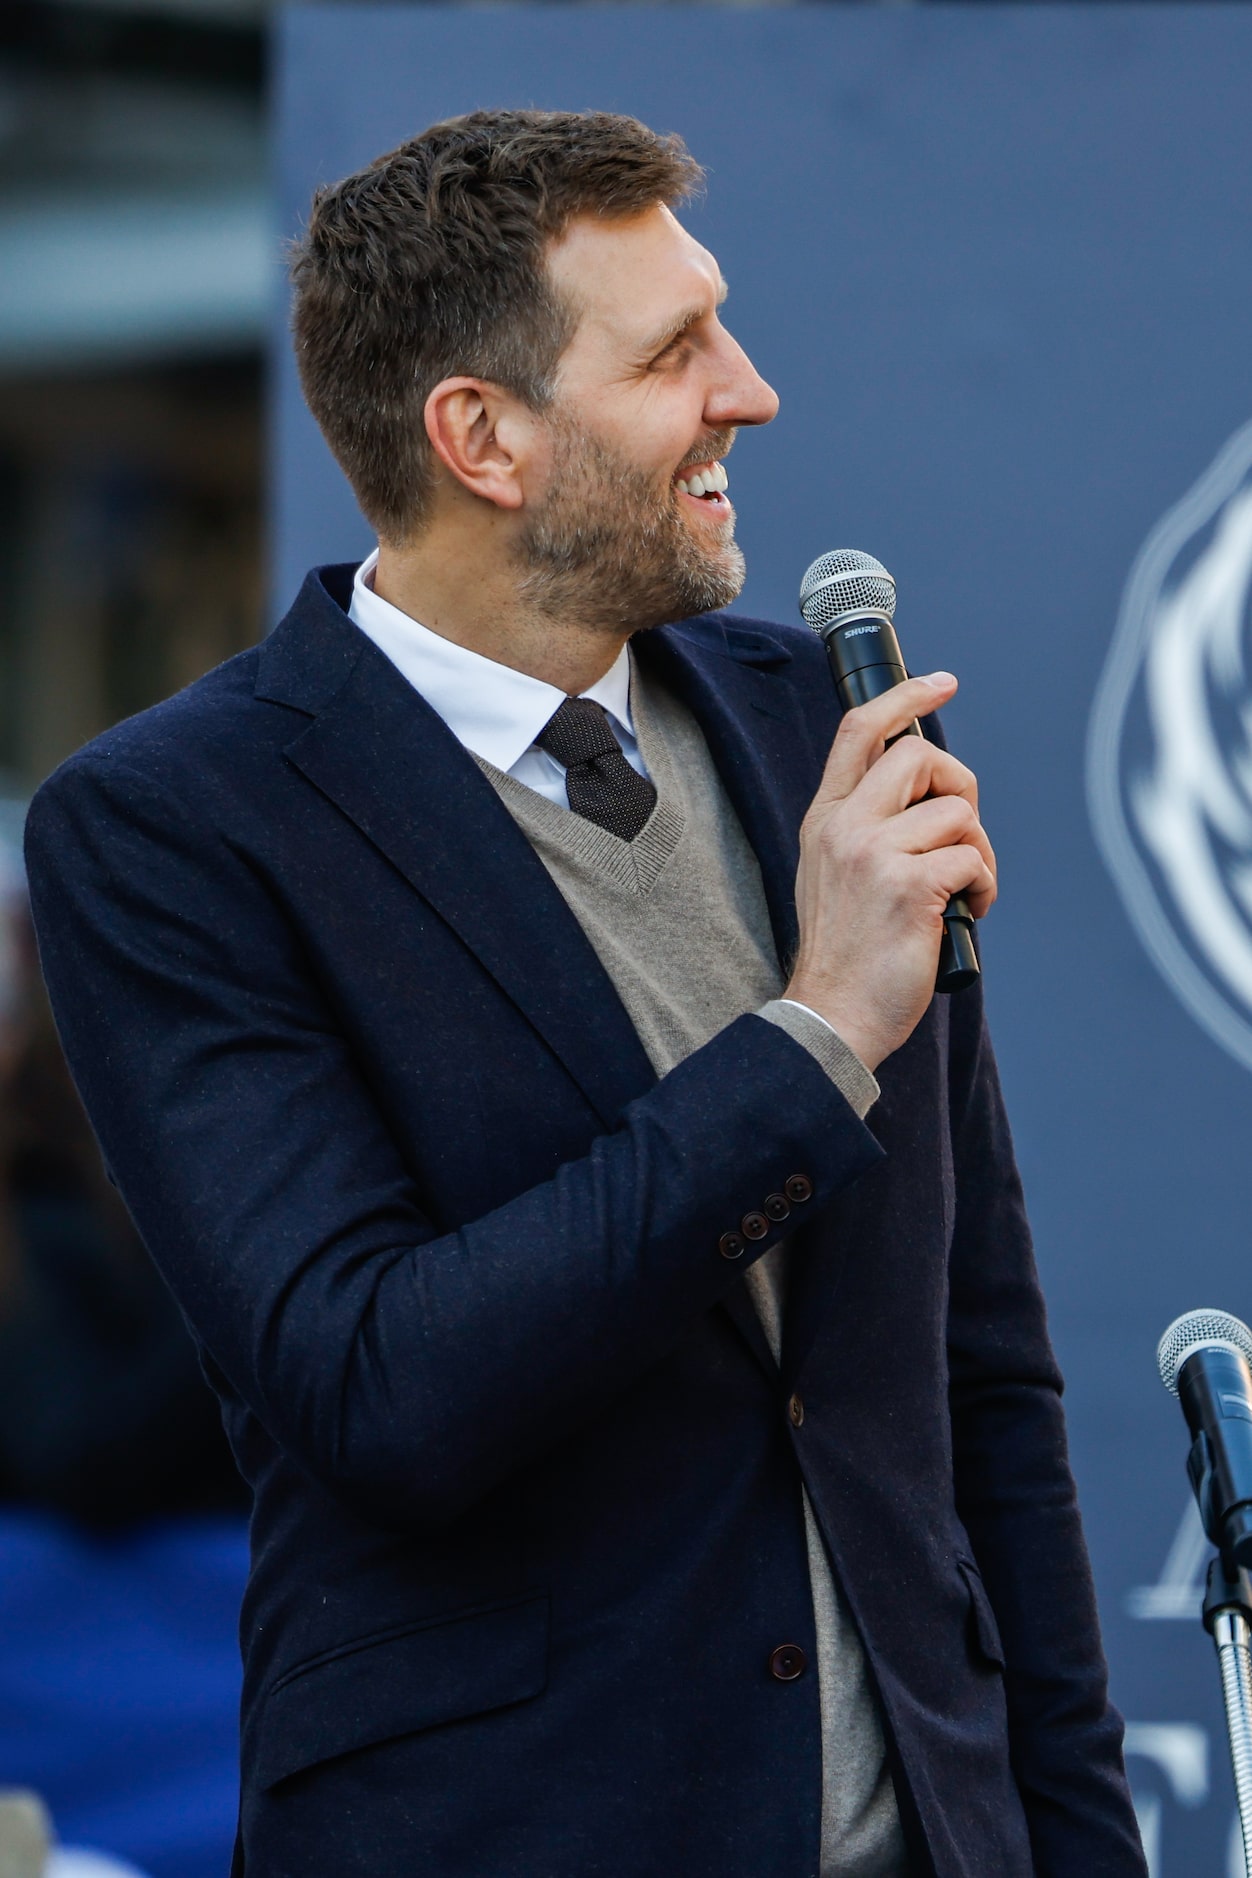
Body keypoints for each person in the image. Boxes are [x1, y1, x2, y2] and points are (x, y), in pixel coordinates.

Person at [23, 111, 1145, 1877]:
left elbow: (979, 1373)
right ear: (482, 436)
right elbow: (381, 1387)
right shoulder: (174, 831)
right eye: (675, 352)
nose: (751, 394)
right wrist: (817, 1033)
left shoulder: (813, 730)